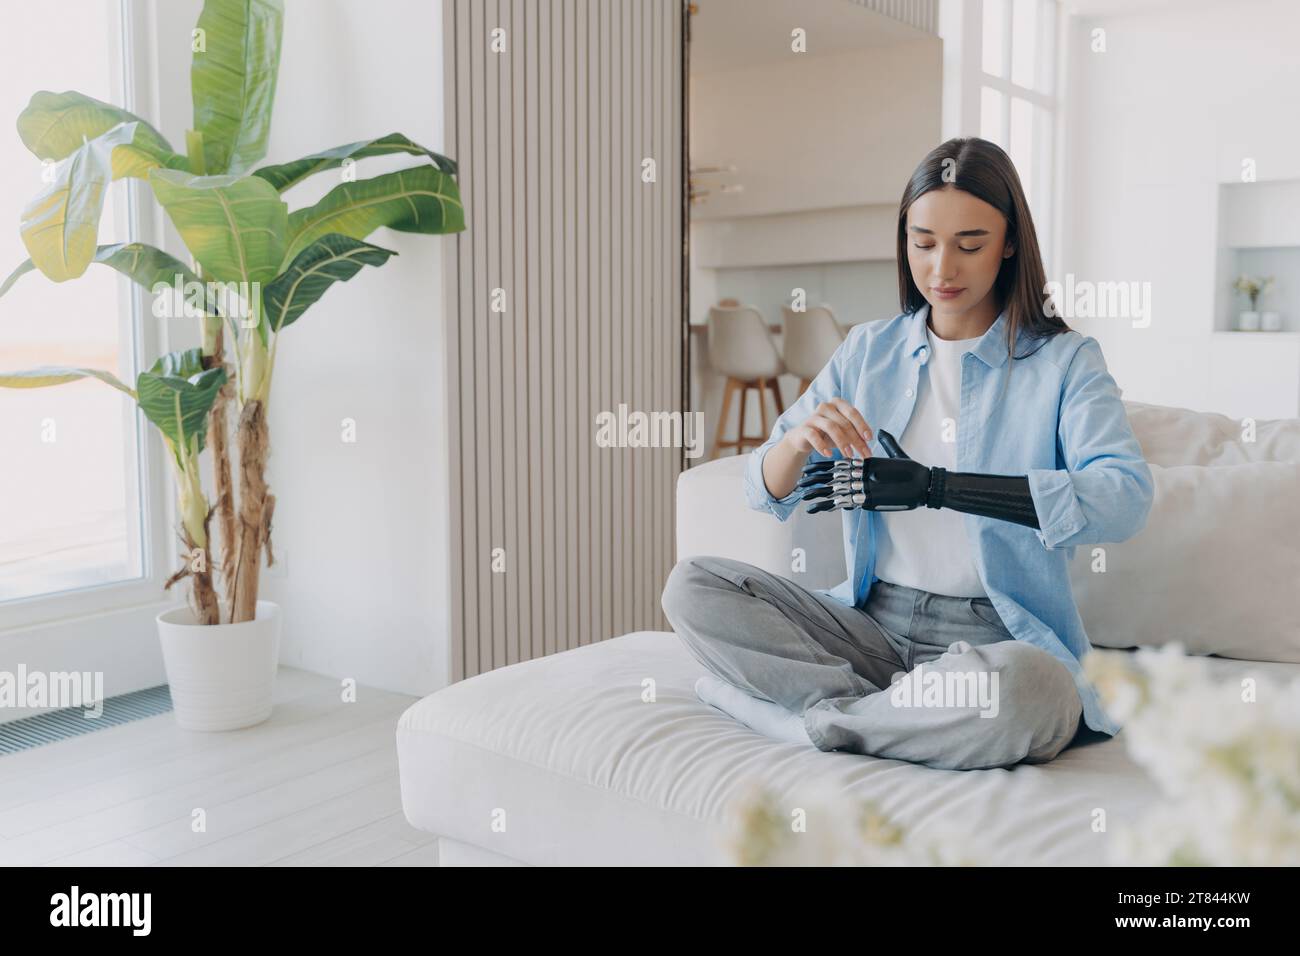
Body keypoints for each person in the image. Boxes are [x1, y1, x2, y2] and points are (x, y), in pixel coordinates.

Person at [661, 137, 1154, 771]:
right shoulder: (868, 351)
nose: (942, 269)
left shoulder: (1064, 362)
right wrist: (796, 438)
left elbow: (1124, 498)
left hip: (996, 637)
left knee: (1032, 693)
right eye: (923, 243)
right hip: (869, 627)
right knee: (694, 587)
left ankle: (813, 722)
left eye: (969, 244)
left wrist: (935, 486)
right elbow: (763, 489)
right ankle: (899, 713)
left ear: (1009, 243)